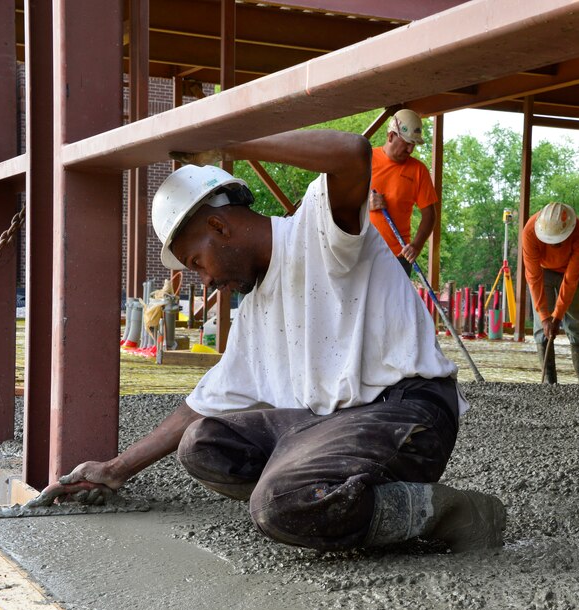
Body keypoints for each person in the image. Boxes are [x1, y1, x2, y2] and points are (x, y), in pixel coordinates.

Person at [34, 130, 505, 554]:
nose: (204, 279)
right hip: (332, 424)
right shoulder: (255, 310)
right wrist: (116, 468)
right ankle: (320, 490)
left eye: (196, 262)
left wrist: (230, 140)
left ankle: (445, 511)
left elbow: (352, 153)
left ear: (219, 227)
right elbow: (204, 405)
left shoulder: (320, 231)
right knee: (203, 445)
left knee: (277, 505)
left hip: (409, 416)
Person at [522, 202, 579, 384]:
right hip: (542, 271)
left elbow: (570, 280)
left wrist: (558, 315)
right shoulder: (530, 232)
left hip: (568, 271)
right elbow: (533, 278)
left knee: (577, 321)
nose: (555, 244)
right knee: (542, 326)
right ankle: (549, 382)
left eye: (559, 240)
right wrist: (547, 317)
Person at [369, 109, 439, 275]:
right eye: (407, 143)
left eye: (413, 144)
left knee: (397, 302)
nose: (410, 150)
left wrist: (416, 245)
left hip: (398, 257)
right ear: (391, 136)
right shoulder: (365, 160)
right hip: (363, 254)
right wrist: (365, 203)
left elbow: (430, 215)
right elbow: (340, 202)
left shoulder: (418, 170)